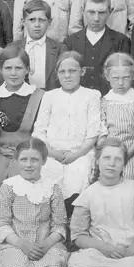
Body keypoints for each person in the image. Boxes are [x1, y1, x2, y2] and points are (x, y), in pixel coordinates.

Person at [66, 139, 134, 267]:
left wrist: (130, 251)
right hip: (100, 250)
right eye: (106, 158)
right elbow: (78, 236)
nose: (112, 163)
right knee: (79, 265)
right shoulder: (88, 194)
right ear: (97, 161)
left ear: (124, 164)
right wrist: (105, 248)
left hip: (132, 250)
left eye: (118, 159)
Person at [0, 137, 69, 267]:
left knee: (54, 265)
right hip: (15, 244)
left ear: (44, 161)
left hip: (45, 245)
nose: (28, 165)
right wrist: (23, 245)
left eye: (34, 160)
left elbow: (59, 225)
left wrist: (45, 245)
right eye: (23, 159)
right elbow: (2, 224)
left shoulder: (53, 187)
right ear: (16, 160)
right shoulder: (9, 187)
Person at [31, 51, 100, 209]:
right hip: (52, 152)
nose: (67, 75)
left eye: (72, 71)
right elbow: (39, 131)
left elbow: (93, 132)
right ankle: (51, 215)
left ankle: (73, 214)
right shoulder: (49, 96)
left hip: (80, 152)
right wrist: (51, 152)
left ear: (82, 72)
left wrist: (76, 154)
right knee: (48, 171)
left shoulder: (91, 96)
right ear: (57, 74)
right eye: (62, 72)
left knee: (80, 172)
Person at [0, 45, 47, 198]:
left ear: (27, 69)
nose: (13, 73)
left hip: (28, 152)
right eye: (8, 68)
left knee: (23, 186)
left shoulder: (39, 96)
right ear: (0, 69)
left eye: (19, 68)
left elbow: (41, 132)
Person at [63, 0, 129, 93]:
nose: (96, 18)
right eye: (91, 12)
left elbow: (126, 77)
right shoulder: (70, 42)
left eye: (101, 12)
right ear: (83, 10)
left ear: (110, 11)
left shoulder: (121, 41)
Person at [98, 52, 134, 180]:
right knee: (105, 177)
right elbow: (102, 133)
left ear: (133, 76)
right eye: (116, 78)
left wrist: (126, 154)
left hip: (132, 150)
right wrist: (106, 152)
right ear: (107, 77)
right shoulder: (105, 101)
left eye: (125, 78)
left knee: (128, 177)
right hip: (110, 150)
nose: (120, 83)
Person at [17, 0, 63, 91]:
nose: (37, 25)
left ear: (49, 22)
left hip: (50, 97)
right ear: (23, 21)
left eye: (41, 20)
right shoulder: (14, 48)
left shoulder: (60, 49)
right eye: (32, 20)